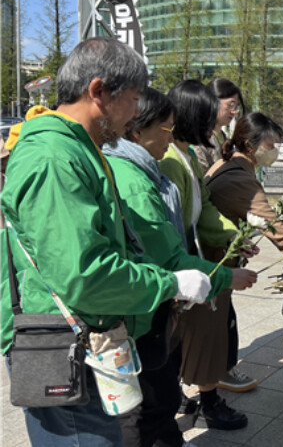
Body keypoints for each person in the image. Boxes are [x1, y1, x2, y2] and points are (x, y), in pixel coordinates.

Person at [0, 37, 211, 446]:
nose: (135, 113)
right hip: (62, 347)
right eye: (133, 99)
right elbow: (84, 276)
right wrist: (170, 283)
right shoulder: (54, 157)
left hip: (83, 342)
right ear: (98, 91)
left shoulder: (82, 150)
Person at [103, 87, 258, 446]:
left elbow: (197, 213)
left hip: (165, 291)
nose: (217, 124)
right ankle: (206, 400)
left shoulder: (158, 163)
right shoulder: (148, 172)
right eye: (167, 127)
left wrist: (233, 238)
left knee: (159, 397)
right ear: (137, 129)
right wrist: (223, 276)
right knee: (151, 405)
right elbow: (167, 253)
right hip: (150, 301)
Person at [159, 80, 254, 430]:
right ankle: (196, 402)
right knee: (178, 341)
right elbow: (172, 231)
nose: (215, 126)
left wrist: (234, 236)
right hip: (182, 264)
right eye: (208, 117)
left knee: (186, 339)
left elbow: (206, 207)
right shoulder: (169, 159)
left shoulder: (184, 154)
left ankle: (194, 398)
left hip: (193, 259)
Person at [204, 112, 283, 277]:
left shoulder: (226, 162)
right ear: (250, 145)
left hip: (214, 254)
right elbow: (275, 228)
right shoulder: (240, 180)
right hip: (215, 265)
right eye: (270, 145)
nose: (274, 151)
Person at [194, 77, 243, 175]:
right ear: (212, 101)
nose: (234, 112)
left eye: (236, 107)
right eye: (230, 105)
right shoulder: (199, 140)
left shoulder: (224, 138)